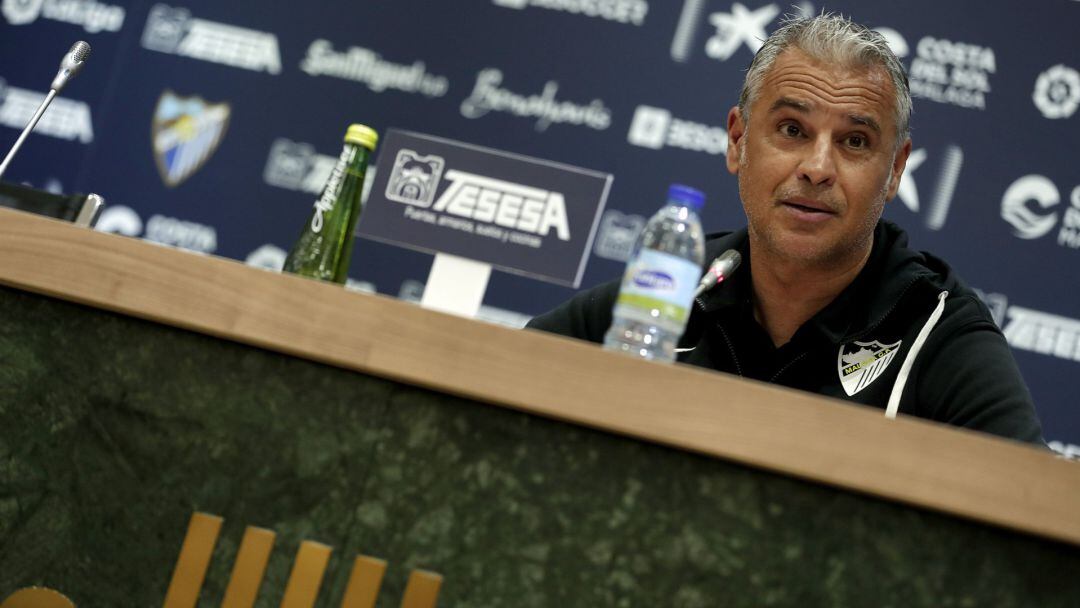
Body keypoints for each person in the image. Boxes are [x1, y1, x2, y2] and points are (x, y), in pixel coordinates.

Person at [526, 14, 1045, 445]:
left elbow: (1031, 514)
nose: (818, 167)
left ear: (895, 171)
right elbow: (504, 380)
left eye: (855, 142)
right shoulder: (686, 284)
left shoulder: (938, 330)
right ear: (738, 140)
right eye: (792, 130)